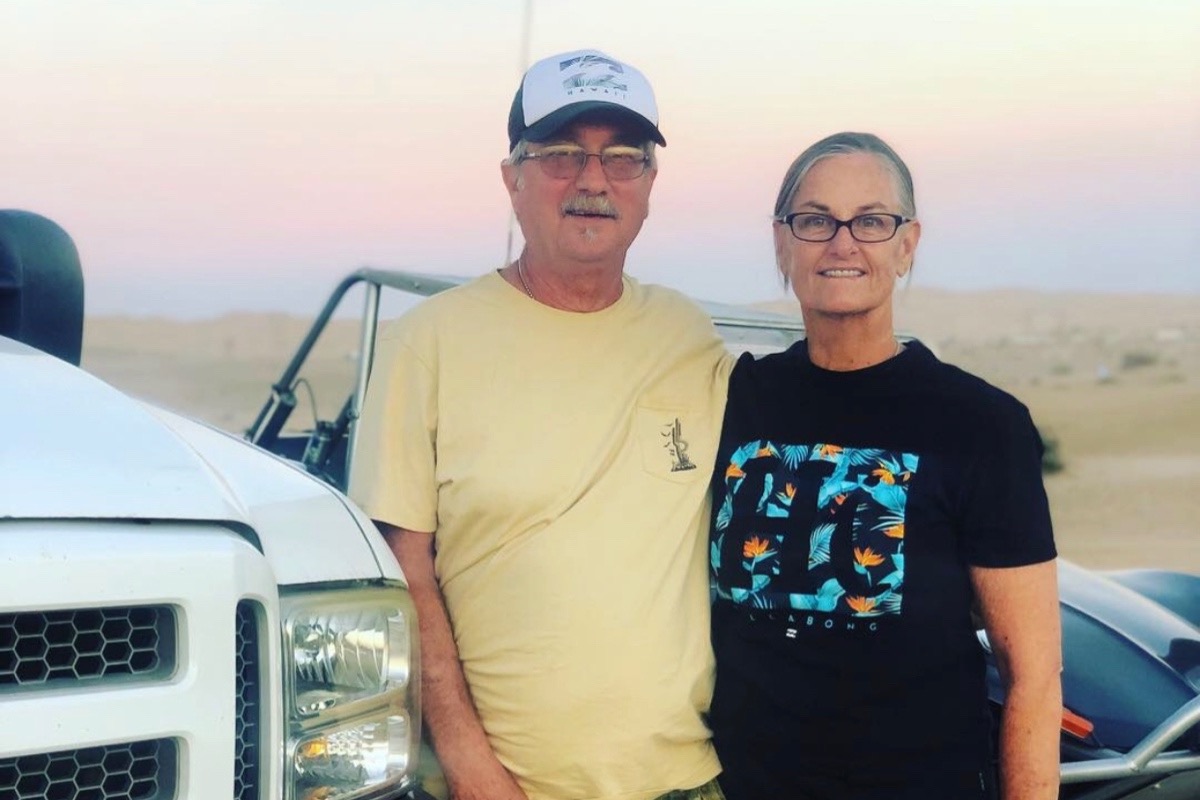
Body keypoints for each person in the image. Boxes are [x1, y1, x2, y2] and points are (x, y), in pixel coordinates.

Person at [349, 49, 731, 800]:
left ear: (650, 184)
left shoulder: (688, 336)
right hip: (505, 787)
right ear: (511, 178)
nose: (593, 180)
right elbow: (402, 570)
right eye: (561, 154)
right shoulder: (426, 342)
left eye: (623, 158)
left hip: (690, 780)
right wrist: (469, 765)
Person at [708, 132, 1062, 800]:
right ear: (782, 243)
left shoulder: (982, 425)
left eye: (871, 221)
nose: (842, 243)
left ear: (907, 245)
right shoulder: (734, 400)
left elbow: (1033, 675)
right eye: (815, 220)